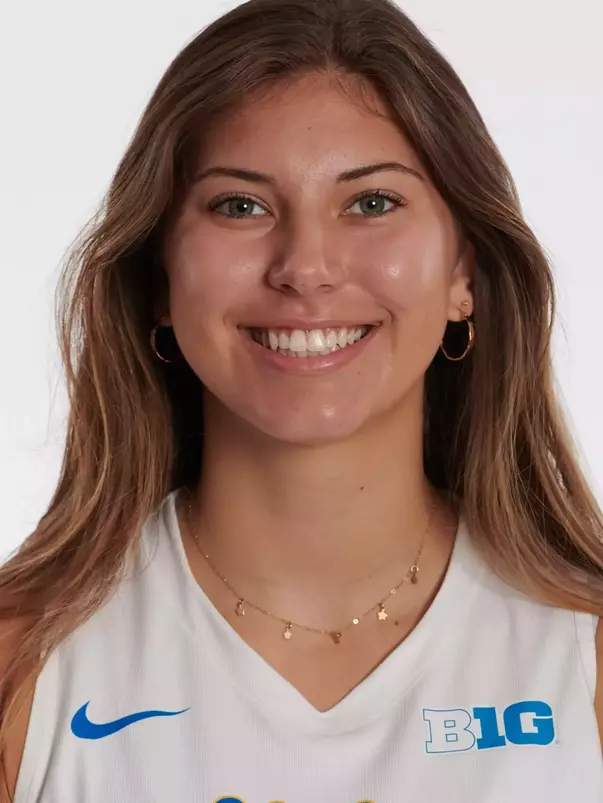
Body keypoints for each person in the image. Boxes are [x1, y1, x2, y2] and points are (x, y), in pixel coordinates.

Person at [1, 0, 602, 800]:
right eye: (239, 206)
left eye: (372, 203)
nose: (305, 267)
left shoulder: (582, 656)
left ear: (463, 270)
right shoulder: (24, 660)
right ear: (160, 281)